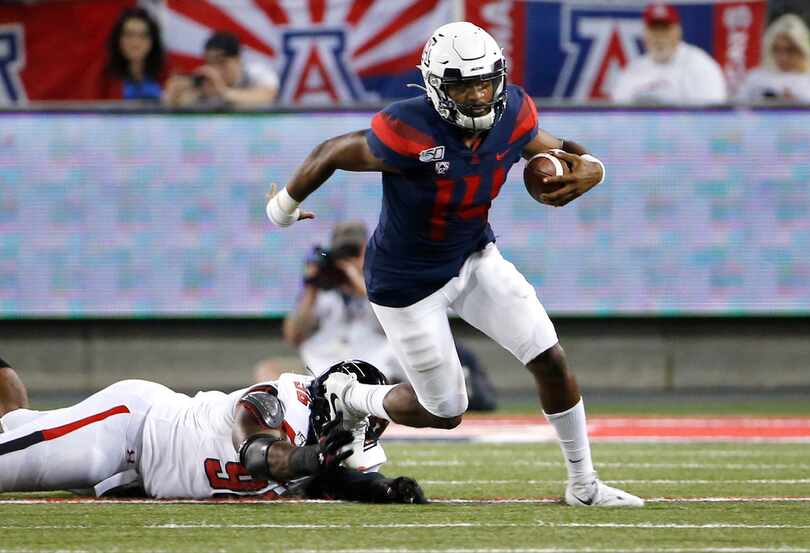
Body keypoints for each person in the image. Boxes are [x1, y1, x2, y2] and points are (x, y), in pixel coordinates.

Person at [265, 21, 643, 507]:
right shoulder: (408, 128)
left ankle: (584, 485)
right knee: (445, 411)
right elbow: (331, 152)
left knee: (550, 358)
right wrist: (284, 209)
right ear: (437, 88)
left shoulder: (513, 113)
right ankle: (348, 395)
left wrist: (596, 167)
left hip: (473, 258)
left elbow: (559, 149)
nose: (480, 95)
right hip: (407, 285)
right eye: (465, 86)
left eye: (486, 81)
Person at [0, 355, 426, 503]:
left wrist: (388, 489)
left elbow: (342, 480)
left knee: (16, 422)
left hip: (139, 481)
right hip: (130, 430)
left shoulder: (326, 443)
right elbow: (259, 454)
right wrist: (312, 457)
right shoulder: (270, 400)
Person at [282, 220, 498, 411]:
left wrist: (361, 283)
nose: (347, 259)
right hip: (329, 364)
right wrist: (311, 288)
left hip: (380, 363)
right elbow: (293, 336)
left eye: (353, 252)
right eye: (342, 253)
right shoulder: (322, 288)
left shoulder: (384, 275)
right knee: (271, 370)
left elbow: (400, 324)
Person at [611, 3, 727, 105]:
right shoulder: (633, 70)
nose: (660, 37)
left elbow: (711, 118)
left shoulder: (700, 66)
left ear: (678, 31)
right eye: (654, 30)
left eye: (665, 29)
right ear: (645, 33)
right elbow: (616, 116)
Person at [163, 31, 278, 109]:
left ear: (238, 59)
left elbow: (267, 96)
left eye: (221, 62)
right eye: (210, 63)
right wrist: (175, 97)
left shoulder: (257, 72)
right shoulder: (204, 81)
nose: (215, 69)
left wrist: (223, 92)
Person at [736, 14, 810, 103]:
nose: (783, 57)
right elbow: (737, 111)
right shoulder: (756, 78)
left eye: (790, 50)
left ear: (803, 49)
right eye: (776, 49)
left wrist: (798, 108)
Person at [102, 7, 168, 102]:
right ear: (118, 39)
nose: (135, 42)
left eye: (143, 36)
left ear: (153, 41)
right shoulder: (103, 77)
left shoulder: (166, 73)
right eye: (129, 35)